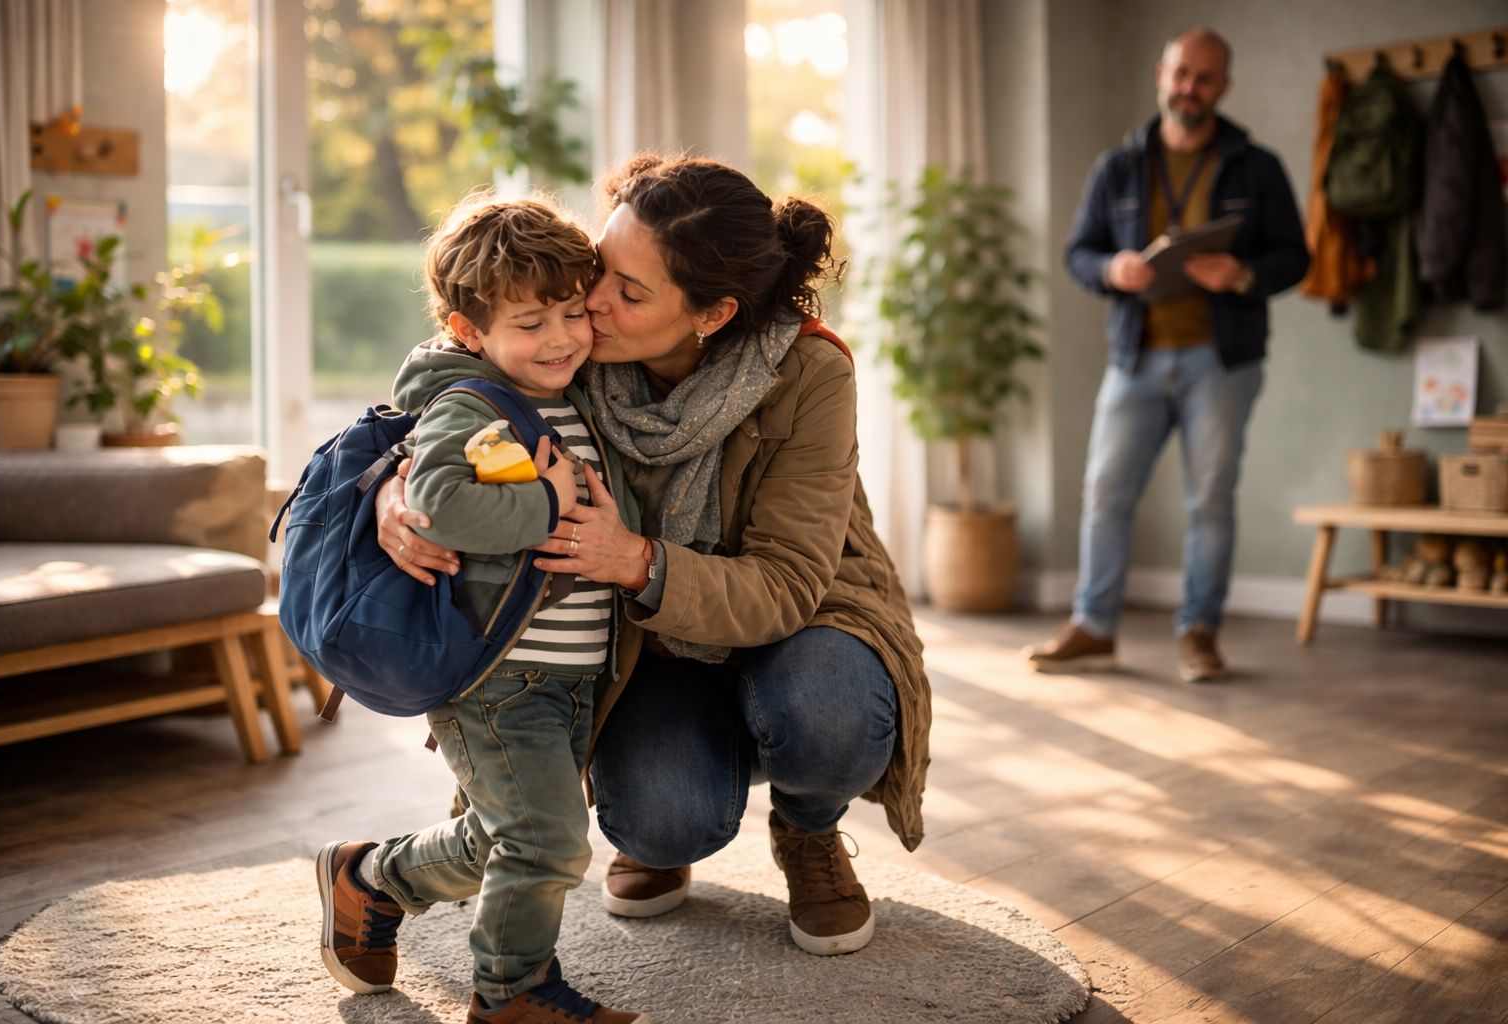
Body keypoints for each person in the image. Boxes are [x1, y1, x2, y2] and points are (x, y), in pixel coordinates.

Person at [378, 154, 931, 962]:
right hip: (653, 638)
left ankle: (810, 829)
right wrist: (397, 495)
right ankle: (661, 830)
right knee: (663, 818)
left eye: (629, 293)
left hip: (805, 618)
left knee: (830, 714)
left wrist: (635, 560)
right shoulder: (568, 343)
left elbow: (784, 585)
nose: (588, 301)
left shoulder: (810, 373)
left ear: (710, 314)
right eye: (603, 268)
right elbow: (450, 377)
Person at [315, 193, 648, 1024]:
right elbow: (439, 504)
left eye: (572, 313)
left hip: (570, 674)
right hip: (499, 677)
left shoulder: (571, 393)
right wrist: (551, 504)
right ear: (469, 330)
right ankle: (512, 995)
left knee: (508, 836)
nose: (562, 337)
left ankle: (369, 879)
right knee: (545, 841)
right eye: (530, 323)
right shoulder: (472, 404)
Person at [1023, 28, 1308, 682]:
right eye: (1182, 74)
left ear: (1223, 87)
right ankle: (1093, 628)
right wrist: (1111, 269)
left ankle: (1199, 634)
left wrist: (1239, 275)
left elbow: (1295, 256)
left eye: (1205, 78)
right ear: (1162, 73)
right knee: (1105, 493)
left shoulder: (1256, 166)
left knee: (1210, 501)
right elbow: (1078, 253)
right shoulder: (1117, 166)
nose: (1190, 88)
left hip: (1222, 362)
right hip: (1136, 358)